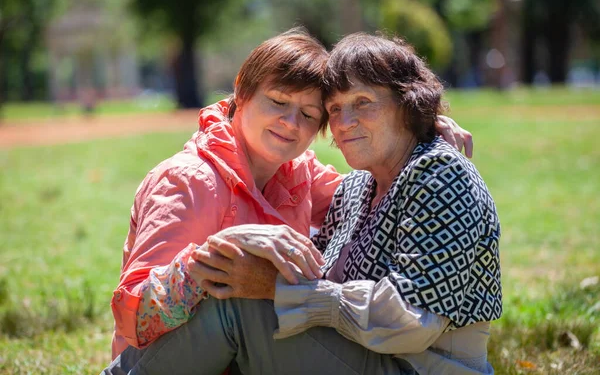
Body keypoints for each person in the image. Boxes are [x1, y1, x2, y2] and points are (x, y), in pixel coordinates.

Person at [104, 29, 474, 374]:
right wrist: (217, 256)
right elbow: (134, 317)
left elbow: (380, 201)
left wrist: (416, 126)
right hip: (172, 361)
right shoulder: (188, 181)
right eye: (278, 101)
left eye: (309, 114)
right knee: (236, 300)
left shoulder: (299, 174)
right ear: (241, 92)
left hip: (253, 357)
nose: (290, 123)